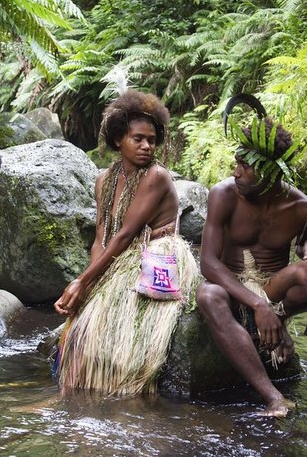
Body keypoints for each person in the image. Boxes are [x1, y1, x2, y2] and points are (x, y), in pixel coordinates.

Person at [54, 90, 200, 395]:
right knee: (82, 323)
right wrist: (88, 284)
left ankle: (125, 387)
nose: (147, 146)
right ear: (119, 139)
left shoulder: (156, 176)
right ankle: (74, 390)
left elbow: (126, 235)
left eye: (152, 139)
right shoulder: (104, 179)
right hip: (120, 254)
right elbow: (102, 236)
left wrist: (81, 281)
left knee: (118, 329)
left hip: (155, 253)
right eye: (138, 139)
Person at [196, 111, 307, 417]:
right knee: (207, 295)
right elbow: (208, 263)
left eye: (244, 166)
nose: (235, 172)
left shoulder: (302, 209)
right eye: (236, 163)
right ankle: (273, 396)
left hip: (273, 290)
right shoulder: (223, 195)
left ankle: (279, 324)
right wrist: (257, 306)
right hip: (233, 289)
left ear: (268, 171)